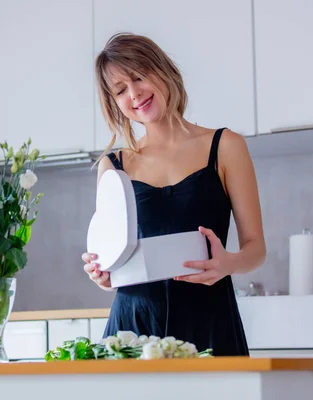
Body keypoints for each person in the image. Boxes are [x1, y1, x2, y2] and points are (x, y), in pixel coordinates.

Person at [82, 33, 266, 356]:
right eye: (121, 90)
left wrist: (227, 263)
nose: (134, 94)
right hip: (133, 329)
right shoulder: (112, 167)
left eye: (138, 76)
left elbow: (256, 249)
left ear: (161, 69)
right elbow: (114, 260)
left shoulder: (225, 147)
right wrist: (103, 274)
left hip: (209, 322)